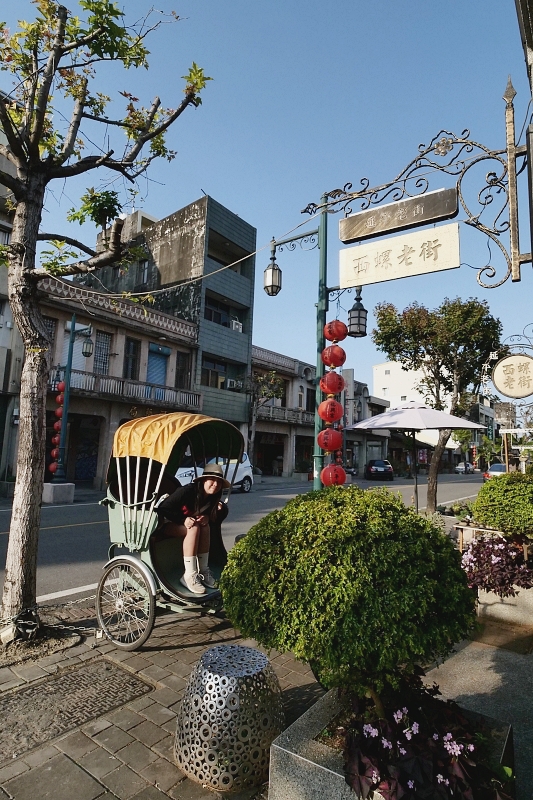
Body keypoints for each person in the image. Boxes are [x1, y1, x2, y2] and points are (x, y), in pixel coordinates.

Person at [156, 463, 230, 595]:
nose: (215, 484)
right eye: (212, 480)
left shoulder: (213, 497)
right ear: (203, 480)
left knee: (204, 527)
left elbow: (220, 512)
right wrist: (183, 519)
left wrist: (207, 516)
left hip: (187, 525)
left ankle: (203, 570)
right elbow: (163, 508)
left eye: (219, 482)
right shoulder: (188, 491)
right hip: (166, 524)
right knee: (194, 528)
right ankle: (189, 575)